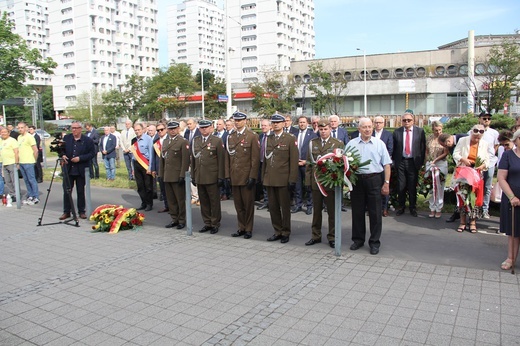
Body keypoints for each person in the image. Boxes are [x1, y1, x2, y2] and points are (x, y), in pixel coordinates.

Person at [346, 118, 392, 255]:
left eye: (369, 127)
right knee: (357, 212)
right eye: (364, 127)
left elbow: (387, 165)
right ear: (359, 129)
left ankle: (374, 243)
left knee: (375, 213)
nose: (367, 129)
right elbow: (345, 164)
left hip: (375, 180)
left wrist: (386, 183)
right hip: (357, 181)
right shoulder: (351, 144)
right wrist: (348, 182)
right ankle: (358, 240)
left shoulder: (379, 144)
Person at [304, 121, 344, 248]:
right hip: (316, 182)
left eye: (325, 129)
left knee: (332, 212)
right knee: (317, 212)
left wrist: (339, 182)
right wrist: (308, 181)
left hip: (330, 182)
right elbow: (309, 164)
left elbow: (340, 164)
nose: (323, 131)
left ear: (330, 129)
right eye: (320, 129)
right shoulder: (312, 143)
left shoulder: (337, 143)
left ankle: (332, 237)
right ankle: (315, 235)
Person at [262, 114, 299, 243]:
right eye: (274, 122)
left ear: (284, 124)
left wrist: (292, 179)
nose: (276, 124)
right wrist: (263, 177)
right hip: (270, 178)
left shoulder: (290, 138)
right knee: (273, 207)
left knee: (284, 207)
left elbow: (294, 161)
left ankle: (285, 232)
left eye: (279, 122)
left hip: (283, 179)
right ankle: (277, 230)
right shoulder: (268, 138)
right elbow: (266, 160)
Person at [225, 111, 260, 239]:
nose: (237, 122)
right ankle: (241, 227)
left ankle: (248, 228)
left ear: (245, 121)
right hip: (234, 175)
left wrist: (253, 176)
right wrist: (227, 175)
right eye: (235, 120)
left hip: (246, 176)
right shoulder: (231, 136)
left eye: (240, 120)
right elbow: (228, 158)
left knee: (248, 205)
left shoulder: (252, 136)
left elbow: (255, 159)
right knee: (238, 204)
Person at [452, 124, 490, 233]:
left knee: (474, 198)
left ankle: (473, 222)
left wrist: (483, 166)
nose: (477, 137)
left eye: (480, 135)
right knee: (463, 197)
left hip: (477, 174)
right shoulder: (463, 140)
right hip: (463, 172)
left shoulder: (485, 144)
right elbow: (455, 154)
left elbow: (487, 160)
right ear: (471, 132)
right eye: (475, 134)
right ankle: (462, 222)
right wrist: (463, 159)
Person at [191, 120, 225, 234]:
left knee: (214, 202)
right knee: (204, 201)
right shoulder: (196, 140)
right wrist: (193, 176)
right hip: (200, 176)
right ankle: (207, 222)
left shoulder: (217, 140)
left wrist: (221, 177)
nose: (204, 129)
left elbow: (221, 160)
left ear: (211, 128)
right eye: (202, 127)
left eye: (206, 127)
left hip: (212, 176)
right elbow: (193, 160)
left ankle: (215, 223)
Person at [392, 109, 426, 217]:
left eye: (409, 120)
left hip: (413, 162)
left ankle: (412, 207)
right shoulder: (397, 132)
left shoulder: (419, 131)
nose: (406, 122)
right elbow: (394, 148)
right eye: (404, 120)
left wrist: (420, 162)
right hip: (401, 161)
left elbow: (422, 147)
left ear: (413, 121)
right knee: (401, 186)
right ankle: (401, 207)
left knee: (412, 186)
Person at [59, 121, 96, 220]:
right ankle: (67, 211)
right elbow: (61, 149)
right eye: (73, 128)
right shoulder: (67, 138)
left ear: (81, 129)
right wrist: (63, 155)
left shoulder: (87, 140)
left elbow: (92, 153)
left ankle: (81, 211)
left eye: (76, 128)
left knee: (80, 191)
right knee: (67, 191)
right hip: (69, 169)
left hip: (80, 169)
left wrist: (80, 158)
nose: (74, 130)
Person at [160, 121, 190, 229]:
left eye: (174, 128)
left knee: (180, 200)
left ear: (178, 129)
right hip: (167, 175)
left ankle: (182, 220)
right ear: (167, 130)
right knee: (171, 200)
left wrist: (182, 175)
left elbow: (185, 160)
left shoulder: (183, 141)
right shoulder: (165, 141)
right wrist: (161, 174)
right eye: (170, 129)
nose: (172, 131)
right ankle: (174, 219)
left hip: (177, 175)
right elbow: (162, 159)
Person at [498, 130, 520, 270]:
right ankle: (511, 258)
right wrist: (512, 196)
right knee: (514, 231)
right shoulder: (508, 155)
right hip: (513, 197)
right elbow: (501, 178)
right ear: (516, 139)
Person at [471, 112, 499, 219]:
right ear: (479, 119)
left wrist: (490, 156)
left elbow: (496, 146)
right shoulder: (473, 131)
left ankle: (485, 209)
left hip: (489, 163)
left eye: (488, 118)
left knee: (487, 187)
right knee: (476, 186)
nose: (486, 120)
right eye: (484, 118)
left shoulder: (494, 133)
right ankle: (475, 208)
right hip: (476, 163)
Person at [438, 132, 469, 223]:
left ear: (448, 141)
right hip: (460, 170)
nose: (446, 147)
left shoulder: (464, 138)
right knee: (459, 192)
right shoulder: (451, 145)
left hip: (471, 168)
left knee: (469, 194)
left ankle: (471, 217)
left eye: (445, 145)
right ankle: (457, 213)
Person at [292, 115, 317, 215]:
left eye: (303, 122)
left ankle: (309, 205)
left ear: (307, 123)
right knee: (297, 186)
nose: (301, 124)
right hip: (296, 164)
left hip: (307, 164)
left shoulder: (312, 135)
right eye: (300, 122)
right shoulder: (293, 134)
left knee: (308, 185)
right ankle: (298, 204)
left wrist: (306, 161)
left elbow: (314, 151)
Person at [425, 121, 449, 218]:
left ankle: (439, 208)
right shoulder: (429, 138)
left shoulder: (445, 138)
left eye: (440, 130)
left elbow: (446, 152)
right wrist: (427, 162)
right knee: (431, 186)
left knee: (439, 187)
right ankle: (432, 208)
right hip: (431, 163)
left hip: (441, 164)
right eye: (436, 130)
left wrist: (435, 160)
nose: (438, 132)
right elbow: (426, 151)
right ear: (432, 129)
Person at [131, 123, 155, 211]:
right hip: (136, 164)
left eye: (139, 130)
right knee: (140, 185)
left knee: (148, 185)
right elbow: (133, 155)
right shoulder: (133, 140)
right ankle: (143, 202)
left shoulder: (148, 139)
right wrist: (133, 168)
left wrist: (150, 167)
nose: (137, 132)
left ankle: (149, 203)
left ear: (142, 130)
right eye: (136, 130)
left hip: (145, 164)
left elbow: (151, 153)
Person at [16, 122, 40, 205]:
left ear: (26, 128)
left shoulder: (29, 137)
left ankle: (36, 196)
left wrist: (34, 160)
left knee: (31, 179)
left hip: (29, 161)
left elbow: (35, 150)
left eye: (22, 127)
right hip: (22, 162)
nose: (20, 129)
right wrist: (18, 162)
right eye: (19, 128)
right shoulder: (19, 137)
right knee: (26, 180)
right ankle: (30, 195)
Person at [154, 122, 169, 213]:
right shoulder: (155, 142)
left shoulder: (170, 139)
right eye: (158, 130)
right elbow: (154, 157)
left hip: (169, 169)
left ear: (166, 129)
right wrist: (154, 169)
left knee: (170, 190)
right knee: (163, 189)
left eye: (161, 129)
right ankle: (166, 206)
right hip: (160, 169)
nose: (160, 131)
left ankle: (174, 207)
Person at [0, 127, 19, 201]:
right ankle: (12, 194)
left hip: (12, 163)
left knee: (14, 180)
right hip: (4, 163)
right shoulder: (2, 141)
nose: (3, 133)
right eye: (2, 132)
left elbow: (16, 152)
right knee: (8, 181)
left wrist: (17, 163)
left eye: (5, 132)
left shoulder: (12, 140)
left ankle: (17, 194)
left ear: (8, 133)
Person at [257, 119, 271, 210]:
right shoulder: (261, 136)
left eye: (265, 125)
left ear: (270, 126)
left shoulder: (272, 136)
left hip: (270, 163)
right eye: (262, 125)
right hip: (261, 162)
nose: (263, 127)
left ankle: (271, 202)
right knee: (263, 182)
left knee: (270, 183)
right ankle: (266, 201)